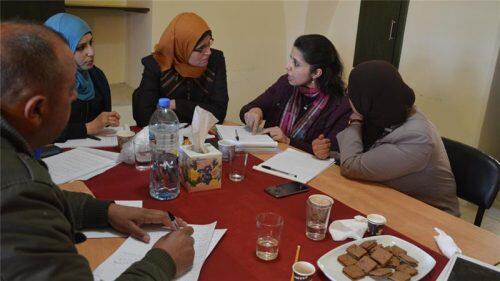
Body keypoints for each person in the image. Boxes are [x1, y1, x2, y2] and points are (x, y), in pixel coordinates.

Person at [1, 22, 194, 280]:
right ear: (36, 110)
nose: (73, 98)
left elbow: (37, 199)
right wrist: (163, 263)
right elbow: (22, 197)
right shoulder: (17, 190)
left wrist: (104, 212)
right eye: (70, 90)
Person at [320, 60, 459, 216]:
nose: (349, 98)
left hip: (431, 218)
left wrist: (355, 120)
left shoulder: (417, 138)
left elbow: (351, 166)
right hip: (388, 199)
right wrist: (327, 153)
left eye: (351, 93)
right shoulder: (385, 112)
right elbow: (365, 159)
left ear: (367, 99)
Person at [240, 34, 351, 155]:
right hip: (267, 158)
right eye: (290, 59)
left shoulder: (339, 105)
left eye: (296, 64)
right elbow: (247, 109)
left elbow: (331, 153)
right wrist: (255, 111)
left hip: (306, 170)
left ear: (316, 73)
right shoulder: (285, 83)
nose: (288, 66)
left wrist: (288, 140)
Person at [133, 12, 228, 126]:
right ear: (182, 47)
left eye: (209, 44)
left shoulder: (215, 61)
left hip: (204, 136)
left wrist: (176, 105)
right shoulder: (157, 64)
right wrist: (196, 111)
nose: (208, 52)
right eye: (201, 48)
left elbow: (219, 113)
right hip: (166, 138)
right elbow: (144, 117)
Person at [44, 13, 121, 141]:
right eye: (81, 47)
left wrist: (107, 120)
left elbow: (101, 121)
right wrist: (88, 128)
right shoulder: (43, 82)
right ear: (59, 50)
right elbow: (42, 131)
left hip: (95, 152)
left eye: (91, 43)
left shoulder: (96, 76)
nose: (91, 52)